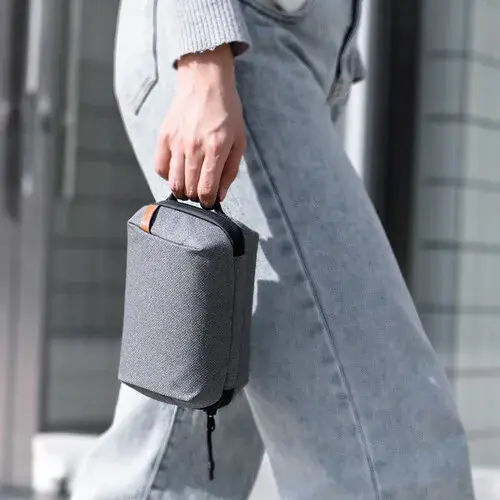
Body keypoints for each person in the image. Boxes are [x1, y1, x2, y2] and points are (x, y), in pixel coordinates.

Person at [72, 0, 476, 498]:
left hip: (299, 57)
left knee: (185, 446)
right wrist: (204, 54)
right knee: (394, 448)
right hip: (235, 48)